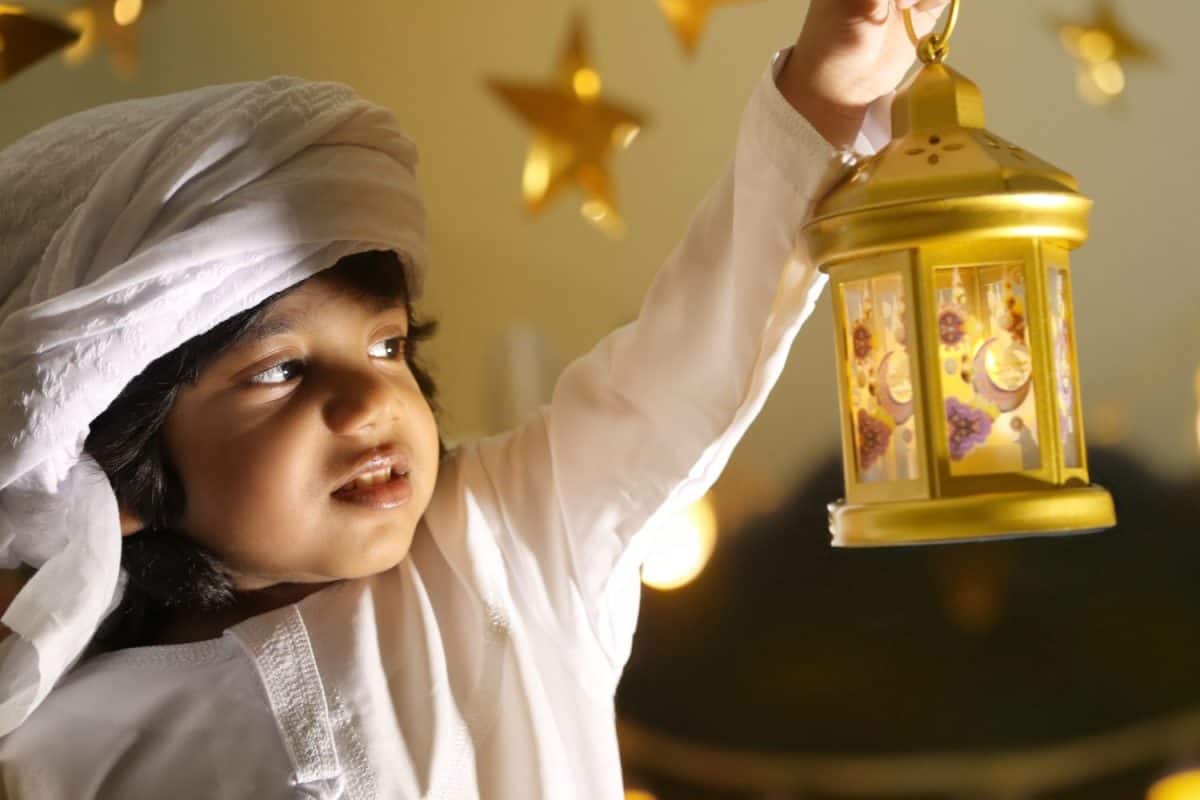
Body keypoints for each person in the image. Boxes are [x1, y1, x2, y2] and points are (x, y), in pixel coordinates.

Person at [0, 0, 948, 796]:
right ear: (126, 464)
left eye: (387, 345)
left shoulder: (505, 541)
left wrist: (833, 87)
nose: (368, 402)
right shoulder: (64, 746)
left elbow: (691, 359)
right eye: (280, 371)